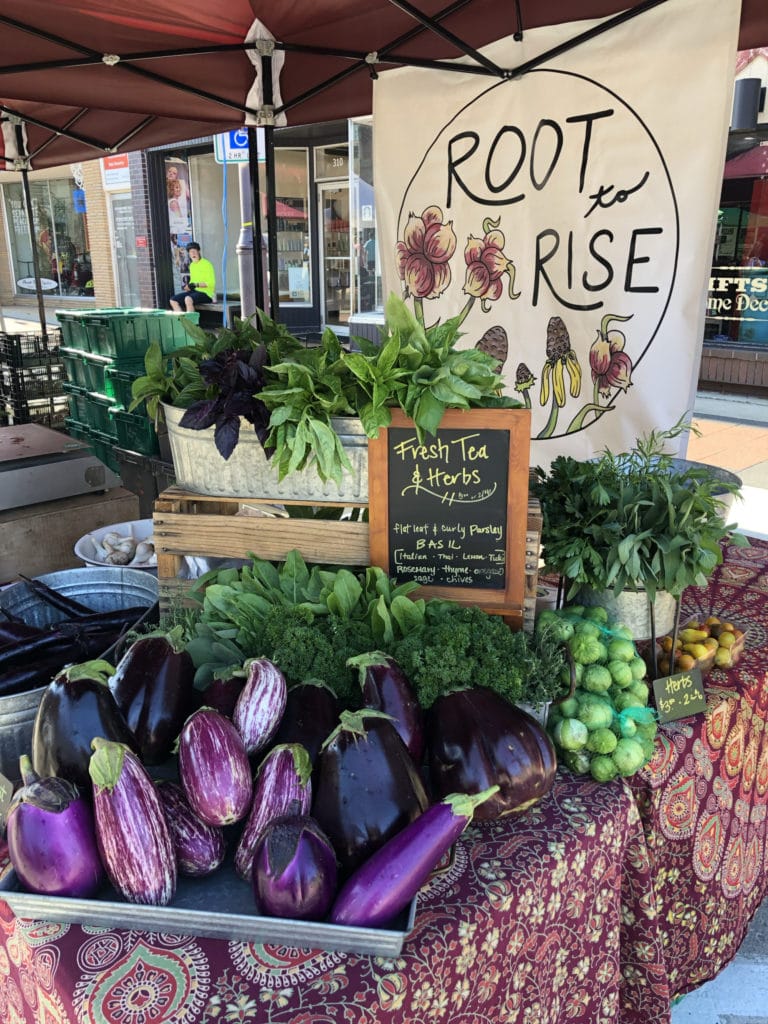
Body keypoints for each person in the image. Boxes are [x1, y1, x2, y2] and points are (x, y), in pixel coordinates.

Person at [170, 241, 216, 312]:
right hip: (194, 292)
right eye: (191, 252)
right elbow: (193, 281)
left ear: (199, 252)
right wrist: (188, 286)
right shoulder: (192, 265)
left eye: (194, 251)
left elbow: (211, 283)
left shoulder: (207, 264)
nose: (193, 254)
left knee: (188, 299)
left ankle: (190, 322)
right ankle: (182, 321)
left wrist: (196, 285)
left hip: (207, 293)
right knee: (173, 300)